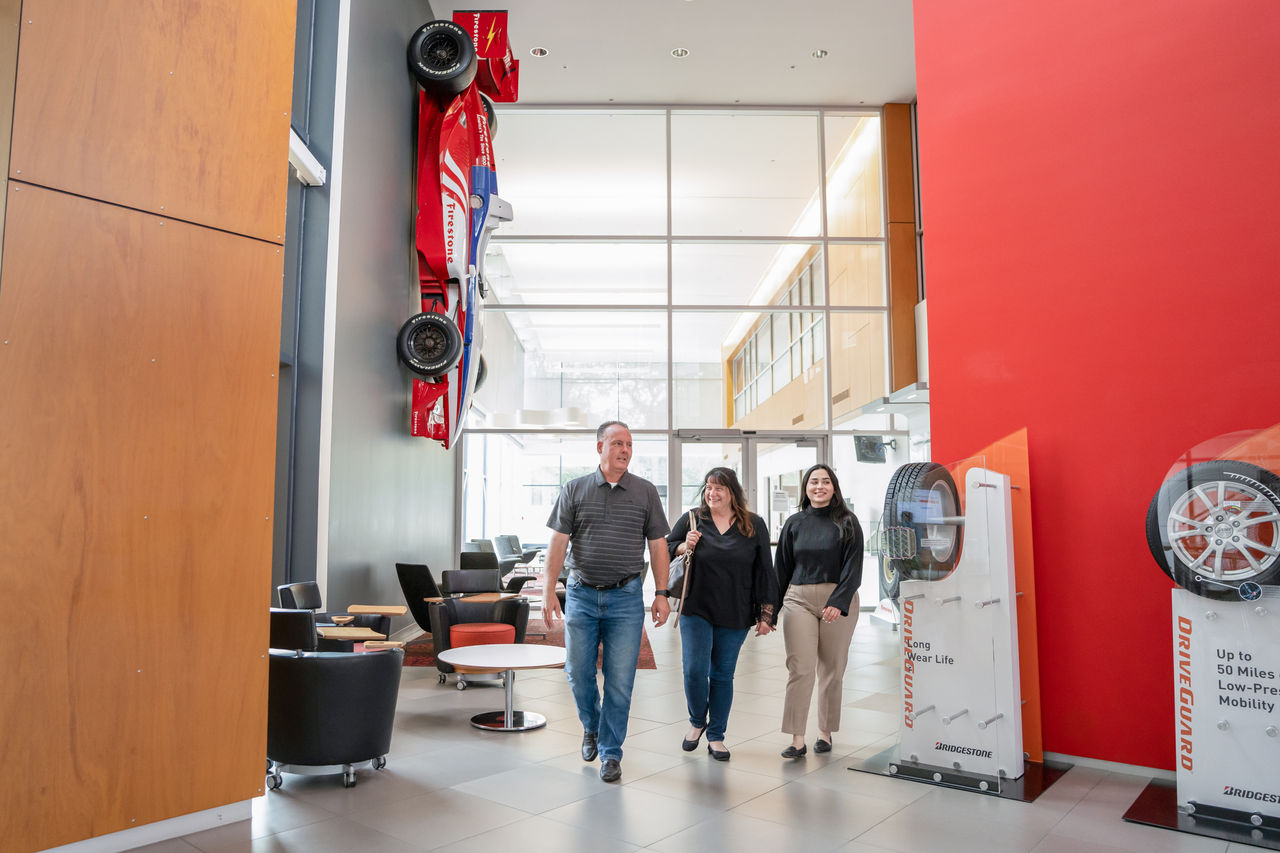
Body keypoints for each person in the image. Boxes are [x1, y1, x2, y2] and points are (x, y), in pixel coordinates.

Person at [542, 421, 671, 783]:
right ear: (599, 447)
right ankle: (591, 725)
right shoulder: (575, 489)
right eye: (617, 443)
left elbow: (658, 545)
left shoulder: (645, 492)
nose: (625, 450)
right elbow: (559, 542)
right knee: (577, 672)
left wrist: (661, 593)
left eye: (629, 444)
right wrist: (548, 589)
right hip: (581, 594)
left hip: (627, 597)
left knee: (620, 680)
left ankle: (611, 753)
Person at [667, 467, 778, 761]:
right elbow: (663, 548)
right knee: (694, 670)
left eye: (719, 488)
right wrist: (682, 545)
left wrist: (767, 614)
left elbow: (766, 570)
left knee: (722, 675)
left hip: (736, 609)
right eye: (708, 487)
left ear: (732, 492)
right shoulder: (693, 518)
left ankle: (716, 735)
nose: (712, 493)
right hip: (696, 606)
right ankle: (696, 722)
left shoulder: (753, 524)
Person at [774, 463, 864, 758]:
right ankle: (797, 738)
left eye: (826, 482)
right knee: (799, 668)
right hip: (798, 598)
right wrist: (769, 613)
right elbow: (781, 570)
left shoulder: (848, 522)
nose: (819, 486)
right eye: (814, 482)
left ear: (834, 488)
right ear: (806, 488)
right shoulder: (794, 523)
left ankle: (824, 732)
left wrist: (838, 602)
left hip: (837, 599)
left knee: (832, 668)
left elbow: (854, 567)